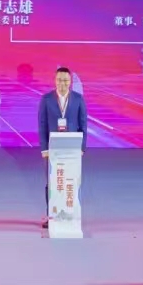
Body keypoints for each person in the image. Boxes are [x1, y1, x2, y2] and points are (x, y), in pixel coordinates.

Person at [37, 66, 87, 228]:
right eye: (59, 80)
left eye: (65, 80)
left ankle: (70, 213)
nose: (62, 83)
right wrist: (44, 149)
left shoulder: (78, 99)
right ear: (55, 81)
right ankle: (51, 215)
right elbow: (42, 125)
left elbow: (83, 125)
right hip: (52, 149)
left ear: (70, 81)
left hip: (72, 149)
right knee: (53, 182)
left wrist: (82, 148)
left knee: (70, 182)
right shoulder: (46, 99)